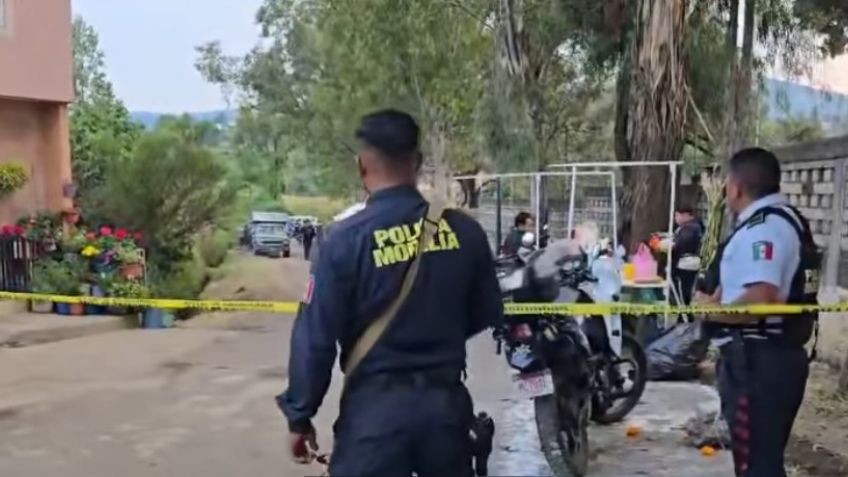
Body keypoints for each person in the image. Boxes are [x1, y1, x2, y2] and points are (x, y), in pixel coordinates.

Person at [276, 109, 504, 476]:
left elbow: (314, 339)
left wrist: (299, 417)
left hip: (374, 417)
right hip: (445, 413)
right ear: (417, 161)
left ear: (361, 165)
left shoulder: (342, 241)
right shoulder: (465, 232)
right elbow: (487, 311)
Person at [695, 147, 819, 477]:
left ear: (735, 187)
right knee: (758, 463)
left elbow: (760, 300)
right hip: (766, 359)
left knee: (757, 467)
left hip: (758, 363)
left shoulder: (763, 228)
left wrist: (708, 312)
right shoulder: (783, 220)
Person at [671, 204, 704, 307]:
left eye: (677, 215)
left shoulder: (691, 228)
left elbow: (682, 243)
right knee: (685, 289)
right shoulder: (690, 227)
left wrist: (672, 244)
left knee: (683, 289)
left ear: (686, 215)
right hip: (687, 262)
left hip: (686, 263)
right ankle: (685, 313)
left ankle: (684, 314)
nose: (676, 218)